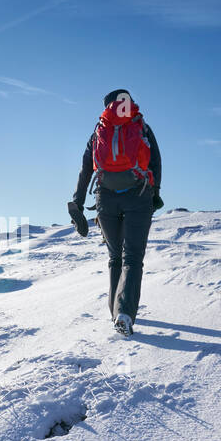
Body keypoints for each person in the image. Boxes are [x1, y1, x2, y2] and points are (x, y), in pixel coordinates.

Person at [67, 89, 163, 336]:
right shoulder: (140, 125)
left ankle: (116, 313)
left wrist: (77, 202)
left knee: (115, 258)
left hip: (105, 198)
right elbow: (155, 162)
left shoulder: (99, 129)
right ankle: (124, 314)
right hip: (138, 194)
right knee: (132, 257)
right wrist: (154, 194)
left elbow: (85, 169)